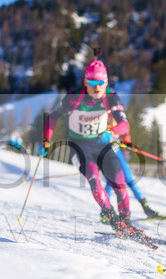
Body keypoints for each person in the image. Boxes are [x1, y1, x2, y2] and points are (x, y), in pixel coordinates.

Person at [41, 59, 142, 234]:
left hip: (104, 145)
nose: (97, 88)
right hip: (79, 147)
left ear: (106, 82)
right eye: (93, 83)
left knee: (119, 184)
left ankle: (126, 221)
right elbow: (52, 117)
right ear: (86, 82)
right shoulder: (74, 98)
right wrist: (46, 140)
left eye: (101, 83)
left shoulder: (111, 97)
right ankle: (111, 217)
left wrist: (112, 131)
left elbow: (124, 125)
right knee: (95, 182)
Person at [104, 130, 163, 219]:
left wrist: (126, 146)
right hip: (106, 152)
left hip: (116, 150)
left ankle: (146, 208)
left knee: (129, 180)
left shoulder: (116, 118)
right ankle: (105, 212)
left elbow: (124, 127)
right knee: (111, 181)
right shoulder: (101, 118)